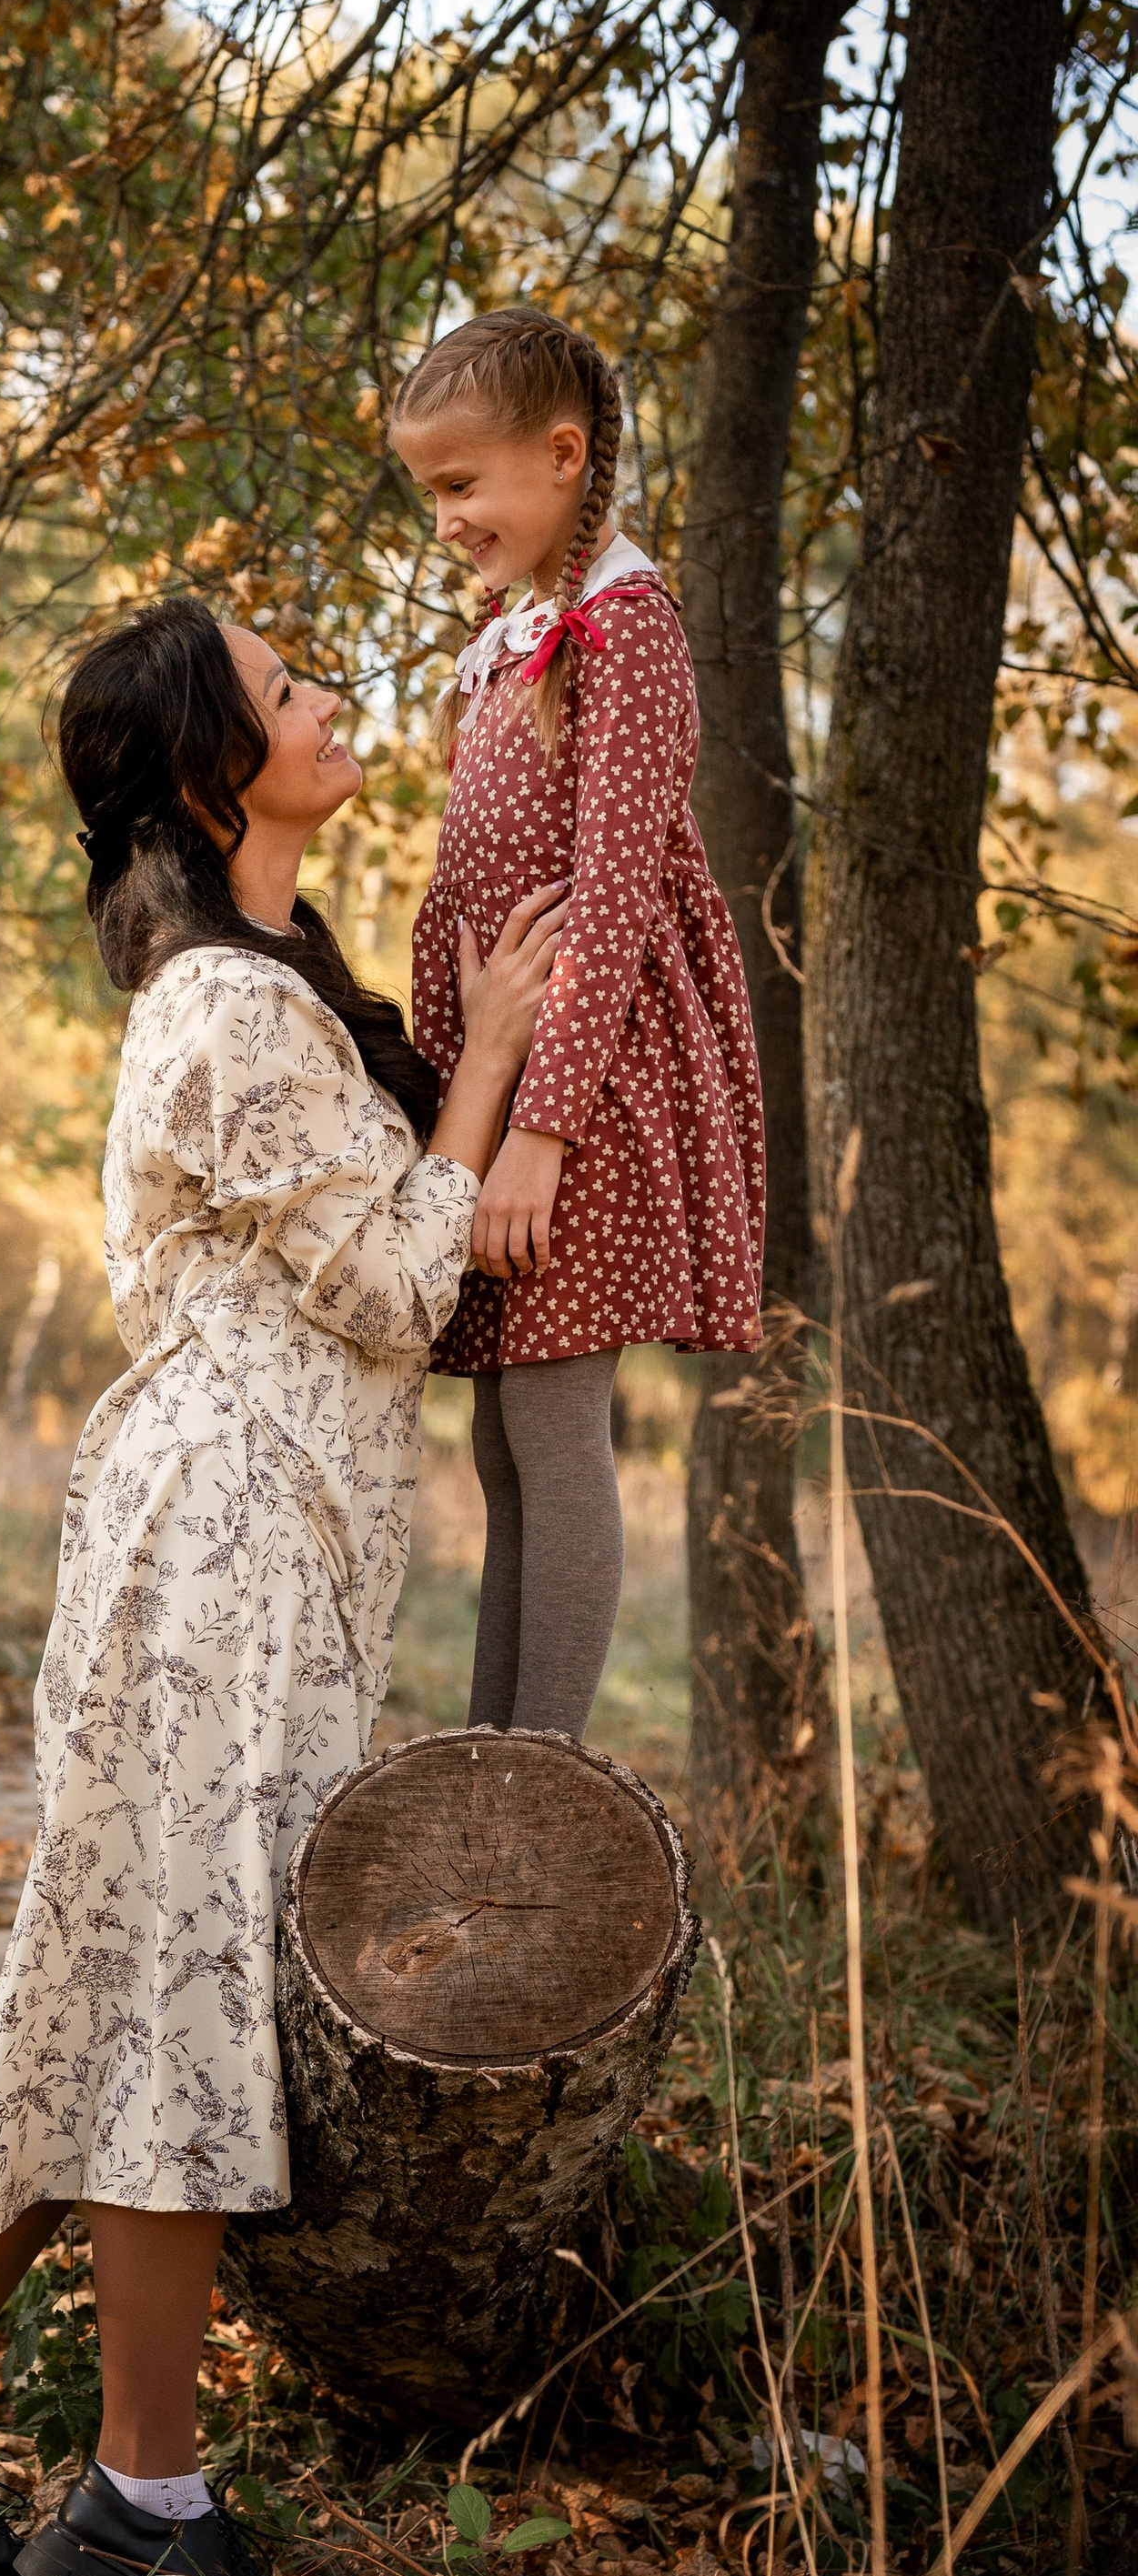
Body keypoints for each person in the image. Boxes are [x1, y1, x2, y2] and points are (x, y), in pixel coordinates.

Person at [0, 596, 565, 2576]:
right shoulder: (216, 1012)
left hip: (247, 1538)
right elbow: (396, 1285)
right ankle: (144, 2490)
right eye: (289, 688)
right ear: (215, 773)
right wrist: (487, 1089)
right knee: (181, 1990)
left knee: (103, 1983)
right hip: (214, 1542)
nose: (331, 698)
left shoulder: (269, 991)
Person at [391, 305, 766, 1739]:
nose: (447, 521)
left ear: (562, 457)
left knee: (553, 1423)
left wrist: (537, 1133)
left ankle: (536, 1775)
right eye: (431, 493)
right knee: (501, 1438)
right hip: (515, 1082)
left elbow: (613, 895)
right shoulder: (517, 636)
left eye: (461, 486)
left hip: (590, 1095)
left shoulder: (628, 629)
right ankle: (492, 1757)